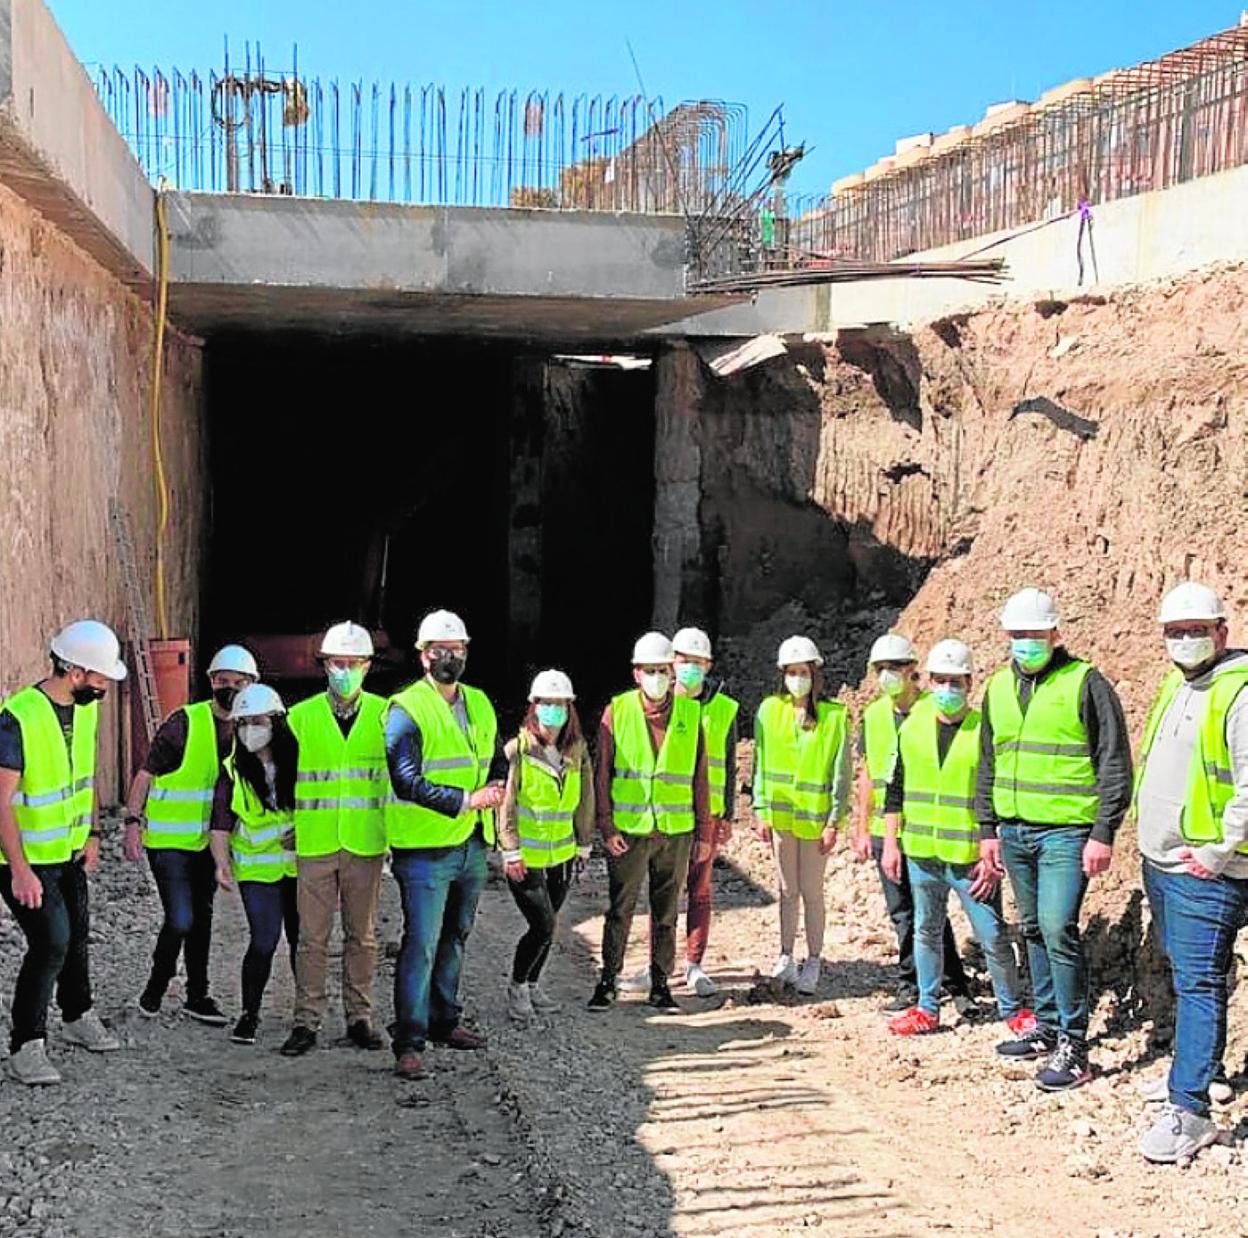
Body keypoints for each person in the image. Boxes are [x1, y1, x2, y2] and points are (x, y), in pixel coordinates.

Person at [982, 588, 1132, 1091]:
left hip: (1068, 833)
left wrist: (1103, 832)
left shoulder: (1085, 683)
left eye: (1034, 634)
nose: (1025, 643)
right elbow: (990, 763)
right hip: (1017, 831)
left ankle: (1075, 1045)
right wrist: (989, 829)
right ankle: (1046, 1025)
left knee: (1057, 927)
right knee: (1031, 929)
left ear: (1055, 634)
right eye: (1017, 635)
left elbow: (1114, 761)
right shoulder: (998, 688)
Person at [1134, 582, 1248, 1163]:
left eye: (1194, 630)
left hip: (1208, 871)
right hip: (1165, 862)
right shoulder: (1180, 685)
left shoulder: (1239, 694)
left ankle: (1190, 1110)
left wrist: (1217, 852)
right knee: (1188, 975)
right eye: (1174, 632)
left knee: (1201, 983)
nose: (1183, 640)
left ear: (1221, 633)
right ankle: (1197, 1069)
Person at [879, 639, 1036, 1041]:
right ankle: (927, 1009)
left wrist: (991, 850)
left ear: (970, 683)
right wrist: (892, 844)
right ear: (928, 681)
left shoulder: (983, 727)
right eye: (941, 681)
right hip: (921, 853)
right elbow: (895, 789)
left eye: (956, 682)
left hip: (969, 858)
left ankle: (1013, 1010)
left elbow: (996, 792)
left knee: (993, 934)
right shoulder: (912, 725)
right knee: (925, 931)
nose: (948, 689)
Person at [0, 621, 126, 1085]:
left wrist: (91, 834)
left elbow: (85, 775)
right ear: (74, 670)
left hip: (67, 852)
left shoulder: (85, 710)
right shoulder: (19, 717)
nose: (106, 685)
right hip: (24, 860)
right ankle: (25, 1046)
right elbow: (0, 802)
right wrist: (19, 871)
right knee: (51, 942)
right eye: (100, 676)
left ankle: (76, 1016)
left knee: (76, 935)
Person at [385, 609, 506, 1080]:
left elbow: (495, 755)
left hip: (471, 844)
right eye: (438, 651)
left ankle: (444, 1020)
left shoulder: (479, 703)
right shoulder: (406, 709)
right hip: (425, 849)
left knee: (456, 935)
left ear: (466, 653)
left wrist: (496, 783)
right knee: (421, 943)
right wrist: (467, 800)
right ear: (422, 656)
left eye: (455, 651)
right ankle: (410, 1041)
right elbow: (406, 779)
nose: (447, 658)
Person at [124, 644, 259, 1025]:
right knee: (180, 918)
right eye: (222, 681)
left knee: (202, 918)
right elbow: (145, 773)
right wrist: (132, 822)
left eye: (237, 682)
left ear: (251, 684)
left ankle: (198, 995)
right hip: (169, 843)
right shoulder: (185, 723)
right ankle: (156, 985)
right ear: (211, 682)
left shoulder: (252, 729)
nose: (228, 687)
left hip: (209, 844)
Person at [587, 632, 714, 1014]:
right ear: (636, 673)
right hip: (630, 830)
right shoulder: (618, 711)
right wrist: (606, 826)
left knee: (666, 911)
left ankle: (661, 983)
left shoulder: (691, 716)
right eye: (650, 670)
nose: (658, 677)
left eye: (663, 670)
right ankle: (608, 980)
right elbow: (602, 771)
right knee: (620, 908)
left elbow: (700, 778)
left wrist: (704, 831)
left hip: (675, 831)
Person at [281, 622, 389, 1057]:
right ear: (324, 665)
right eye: (336, 663)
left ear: (367, 666)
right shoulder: (300, 718)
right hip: (316, 842)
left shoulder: (387, 715)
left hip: (365, 842)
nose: (343, 671)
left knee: (361, 936)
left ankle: (359, 1017)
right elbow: (281, 778)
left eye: (352, 664)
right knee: (312, 939)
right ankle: (306, 1021)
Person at [852, 633, 971, 1013]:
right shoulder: (872, 715)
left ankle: (954, 983)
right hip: (883, 830)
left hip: (925, 827)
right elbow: (868, 775)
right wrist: (859, 828)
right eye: (880, 669)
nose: (887, 675)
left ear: (912, 671)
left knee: (932, 914)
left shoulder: (931, 709)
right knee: (902, 912)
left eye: (894, 668)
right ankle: (911, 982)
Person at [619, 626, 738, 998]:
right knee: (663, 894)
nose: (689, 669)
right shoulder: (658, 708)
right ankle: (658, 965)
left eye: (697, 662)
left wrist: (727, 816)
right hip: (667, 815)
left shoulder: (724, 709)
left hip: (708, 815)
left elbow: (730, 765)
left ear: (708, 665)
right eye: (683, 661)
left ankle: (694, 964)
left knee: (699, 891)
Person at [752, 635, 849, 996]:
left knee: (811, 891)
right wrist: (760, 809)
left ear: (815, 673)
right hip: (780, 819)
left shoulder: (835, 717)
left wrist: (834, 821)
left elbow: (841, 774)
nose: (797, 678)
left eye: (803, 671)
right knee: (786, 890)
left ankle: (814, 959)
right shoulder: (768, 711)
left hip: (814, 820)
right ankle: (786, 955)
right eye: (791, 672)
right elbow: (760, 766)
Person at [498, 669, 594, 1023]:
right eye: (546, 703)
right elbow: (505, 804)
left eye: (560, 703)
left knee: (551, 924)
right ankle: (518, 986)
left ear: (570, 708)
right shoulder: (518, 750)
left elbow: (585, 799)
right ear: (534, 706)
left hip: (562, 855)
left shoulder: (576, 750)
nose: (553, 710)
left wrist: (584, 844)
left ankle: (534, 983)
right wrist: (510, 850)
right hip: (527, 857)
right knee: (543, 925)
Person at [208, 683, 299, 1046]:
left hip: (298, 867)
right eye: (242, 723)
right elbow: (220, 822)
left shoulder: (301, 760)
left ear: (276, 722)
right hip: (258, 871)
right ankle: (250, 1014)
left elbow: (320, 806)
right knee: (263, 940)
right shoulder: (232, 771)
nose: (249, 730)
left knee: (301, 941)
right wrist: (220, 863)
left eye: (256, 722)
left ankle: (306, 1016)